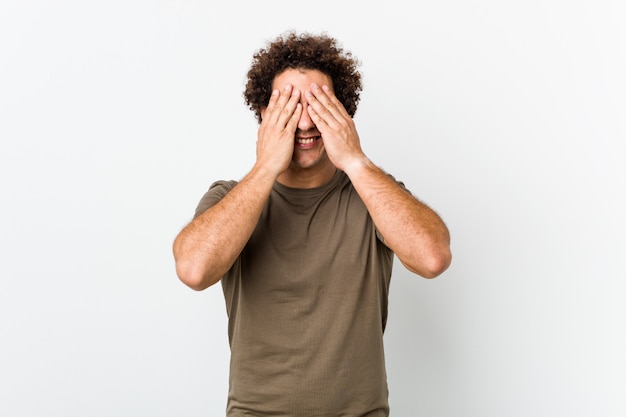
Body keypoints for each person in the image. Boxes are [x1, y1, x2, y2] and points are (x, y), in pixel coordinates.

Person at [173, 31, 452, 416]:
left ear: (344, 112)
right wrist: (267, 165)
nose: (304, 122)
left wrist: (355, 161)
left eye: (319, 105)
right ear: (263, 114)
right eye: (288, 105)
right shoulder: (228, 198)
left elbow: (433, 258)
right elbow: (193, 270)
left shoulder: (375, 196)